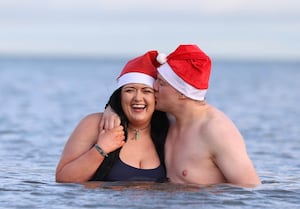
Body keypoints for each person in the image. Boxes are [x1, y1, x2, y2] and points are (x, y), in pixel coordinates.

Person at [102, 44, 261, 187]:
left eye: (161, 83)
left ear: (182, 93)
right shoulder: (169, 119)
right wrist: (112, 108)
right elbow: (133, 105)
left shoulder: (215, 130)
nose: (154, 87)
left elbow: (251, 190)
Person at [55, 50, 169, 183]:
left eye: (146, 91)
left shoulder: (170, 131)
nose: (138, 98)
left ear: (156, 97)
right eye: (129, 90)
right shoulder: (95, 124)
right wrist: (101, 149)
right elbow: (63, 178)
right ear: (119, 96)